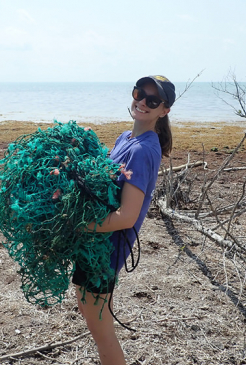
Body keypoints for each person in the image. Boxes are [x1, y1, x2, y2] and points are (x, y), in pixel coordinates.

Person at [72, 75, 175, 365]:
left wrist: (78, 225)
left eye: (152, 100)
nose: (142, 101)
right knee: (96, 317)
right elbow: (107, 177)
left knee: (102, 333)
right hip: (96, 245)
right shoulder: (127, 139)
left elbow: (127, 216)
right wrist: (88, 146)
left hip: (104, 251)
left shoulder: (143, 150)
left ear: (163, 110)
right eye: (139, 93)